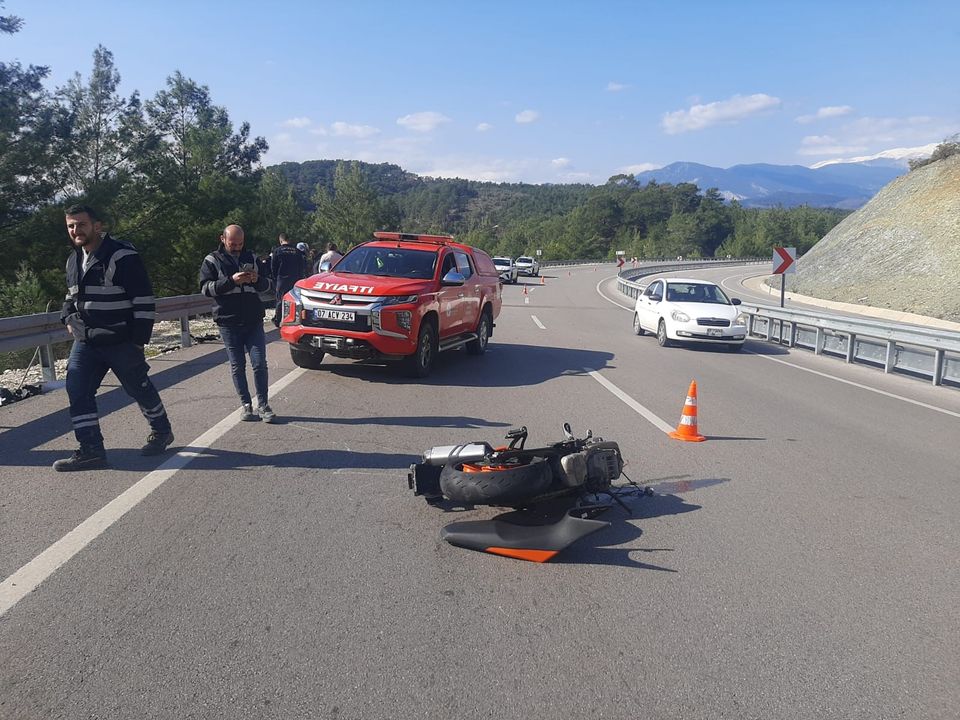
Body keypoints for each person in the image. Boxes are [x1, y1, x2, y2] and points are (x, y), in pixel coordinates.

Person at [54, 205, 174, 471]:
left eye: (81, 224)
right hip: (86, 342)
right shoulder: (73, 259)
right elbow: (71, 298)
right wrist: (68, 319)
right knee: (77, 391)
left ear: (97, 226)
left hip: (121, 340)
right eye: (71, 226)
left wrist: (137, 342)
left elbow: (143, 301)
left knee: (138, 388)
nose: (76, 230)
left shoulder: (122, 255)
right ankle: (91, 451)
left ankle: (162, 430)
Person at [199, 224, 276, 423]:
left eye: (240, 243)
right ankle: (246, 405)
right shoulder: (211, 260)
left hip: (253, 320)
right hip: (228, 321)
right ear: (223, 239)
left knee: (259, 364)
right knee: (237, 365)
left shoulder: (251, 258)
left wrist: (257, 279)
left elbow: (268, 286)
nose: (237, 247)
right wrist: (231, 280)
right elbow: (206, 289)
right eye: (233, 243)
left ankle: (264, 405)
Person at [268, 233, 307, 326]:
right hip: (295, 279)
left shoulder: (277, 251)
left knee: (280, 300)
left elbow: (273, 267)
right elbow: (302, 267)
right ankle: (293, 318)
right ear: (289, 240)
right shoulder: (297, 251)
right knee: (295, 300)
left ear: (280, 240)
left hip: (282, 279)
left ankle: (278, 319)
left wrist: (275, 278)